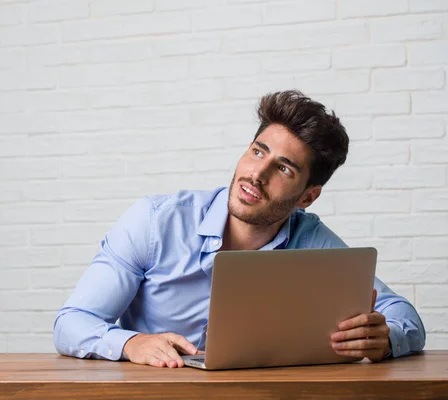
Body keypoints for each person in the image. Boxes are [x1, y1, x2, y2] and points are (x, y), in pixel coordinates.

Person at [53, 90, 426, 368]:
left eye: (283, 169)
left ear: (307, 197)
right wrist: (131, 343)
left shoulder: (313, 241)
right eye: (258, 151)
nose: (256, 174)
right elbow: (71, 323)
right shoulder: (154, 221)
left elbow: (404, 315)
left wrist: (385, 338)